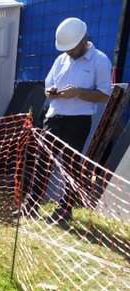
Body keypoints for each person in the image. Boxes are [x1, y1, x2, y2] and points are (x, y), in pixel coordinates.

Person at [24, 17, 111, 224]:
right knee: (42, 162)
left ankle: (65, 210)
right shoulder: (61, 59)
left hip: (78, 121)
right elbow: (48, 84)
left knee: (70, 167)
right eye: (66, 48)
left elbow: (104, 95)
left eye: (72, 47)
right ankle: (31, 205)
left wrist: (79, 92)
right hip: (53, 118)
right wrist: (50, 92)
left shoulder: (100, 60)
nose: (69, 52)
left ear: (84, 39)